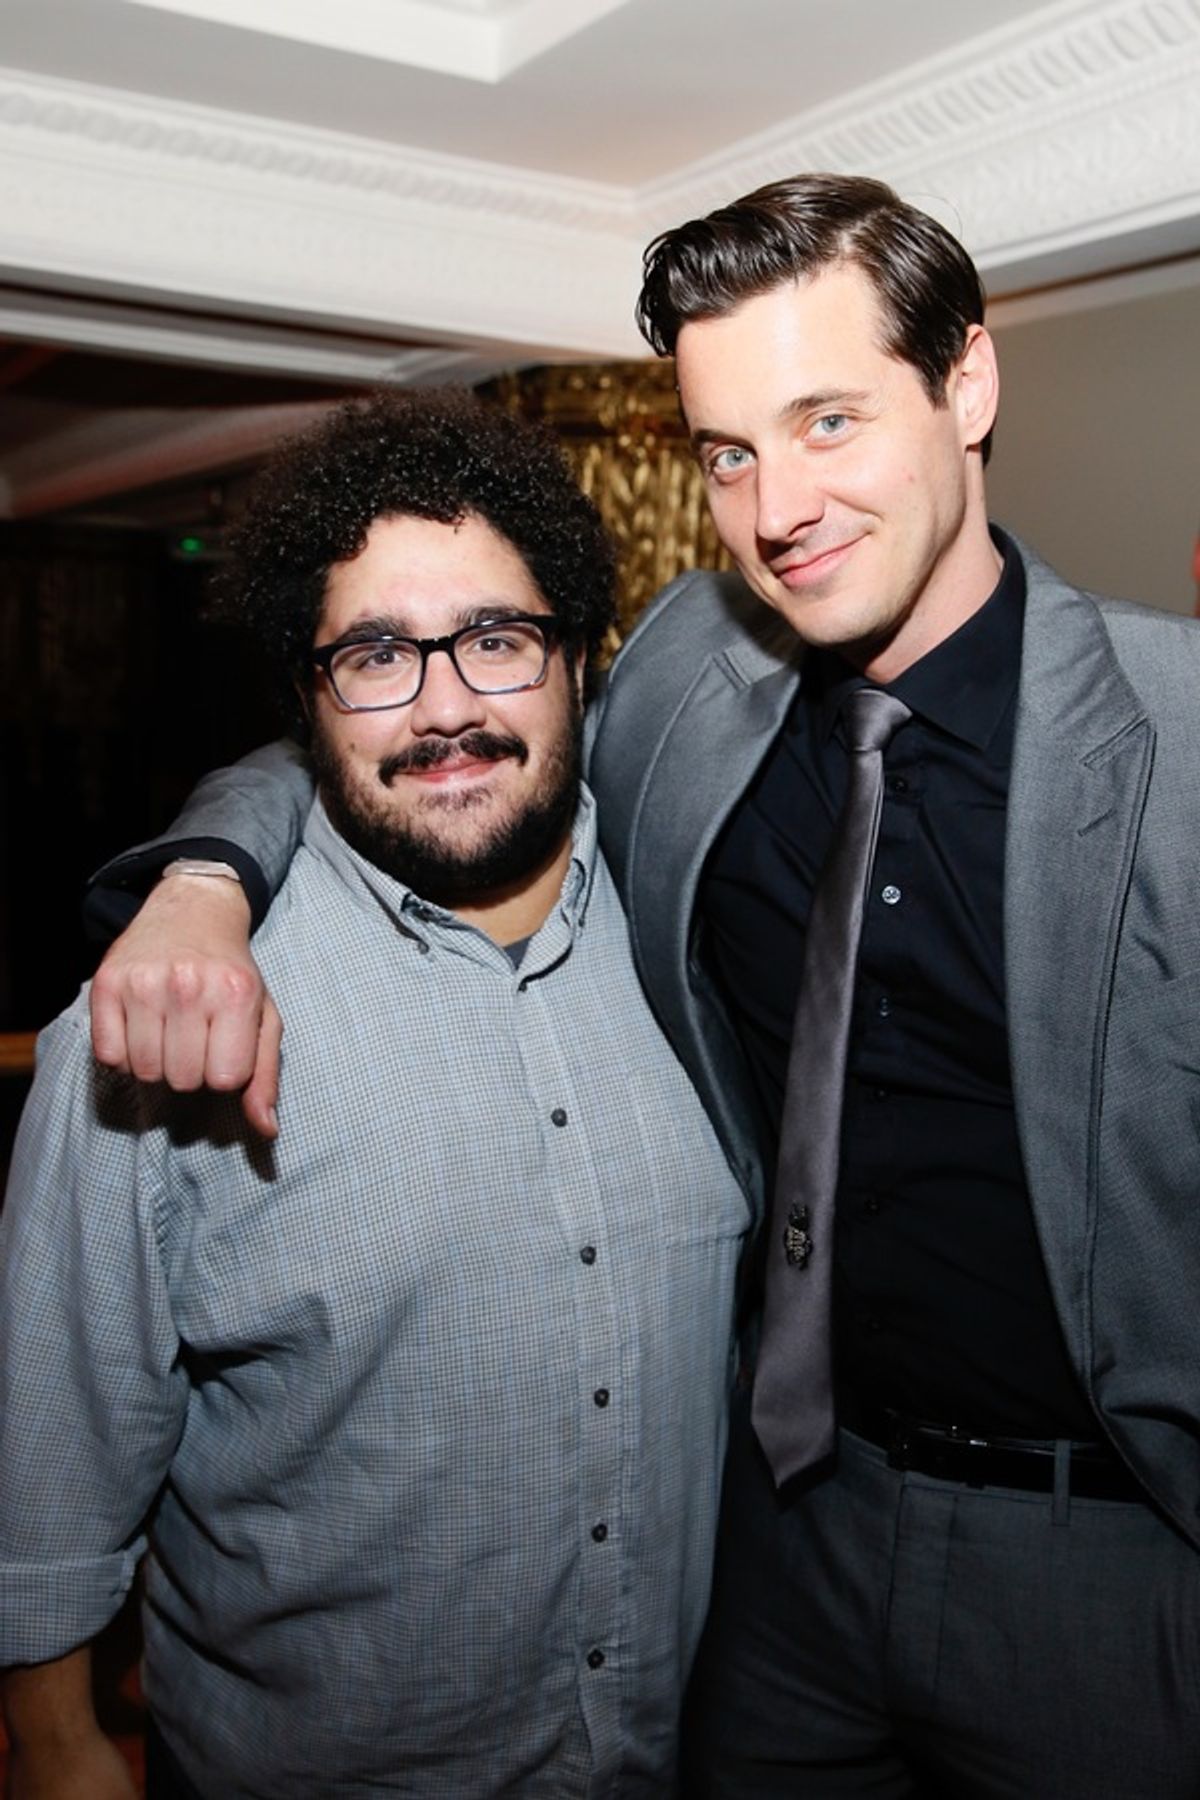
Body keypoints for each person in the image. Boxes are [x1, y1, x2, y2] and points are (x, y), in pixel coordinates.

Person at [72, 174, 1200, 1797]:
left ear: (967, 384)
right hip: (785, 1540)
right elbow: (422, 733)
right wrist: (198, 883)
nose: (775, 507)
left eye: (826, 421)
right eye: (728, 452)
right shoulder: (691, 673)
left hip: (1110, 1565)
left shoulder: (1173, 740)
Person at [0, 389, 750, 1800]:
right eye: (375, 655)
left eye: (496, 639)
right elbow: (51, 1452)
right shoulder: (163, 1039)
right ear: (305, 695)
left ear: (576, 663)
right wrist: (58, 1748)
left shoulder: (709, 925)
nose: (446, 707)